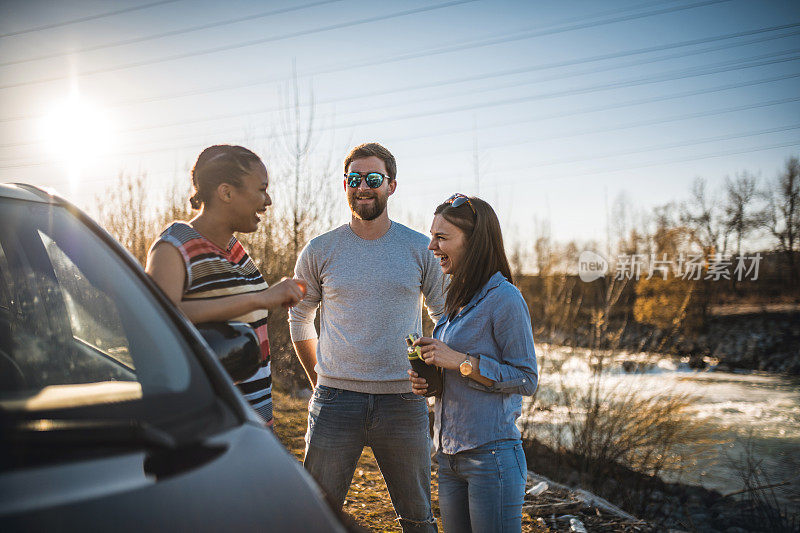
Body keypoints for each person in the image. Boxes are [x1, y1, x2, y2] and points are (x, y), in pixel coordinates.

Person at [288, 142, 445, 532]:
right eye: (354, 179)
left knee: (418, 519)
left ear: (391, 186)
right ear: (344, 185)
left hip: (404, 402)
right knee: (314, 517)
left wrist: (436, 378)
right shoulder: (320, 250)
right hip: (335, 402)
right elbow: (299, 319)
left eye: (373, 179)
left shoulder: (418, 248)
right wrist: (319, 379)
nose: (363, 187)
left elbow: (444, 316)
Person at [146, 144, 305, 427]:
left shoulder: (235, 248)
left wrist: (271, 295)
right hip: (209, 430)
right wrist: (260, 299)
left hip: (254, 425)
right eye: (261, 189)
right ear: (227, 192)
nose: (267, 201)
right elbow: (159, 318)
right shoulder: (173, 246)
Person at [408, 193, 538, 533]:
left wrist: (461, 362)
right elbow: (459, 374)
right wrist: (432, 379)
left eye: (441, 238)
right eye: (432, 236)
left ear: (474, 242)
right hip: (448, 457)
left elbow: (526, 379)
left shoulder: (505, 298)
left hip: (490, 458)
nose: (431, 247)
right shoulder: (456, 301)